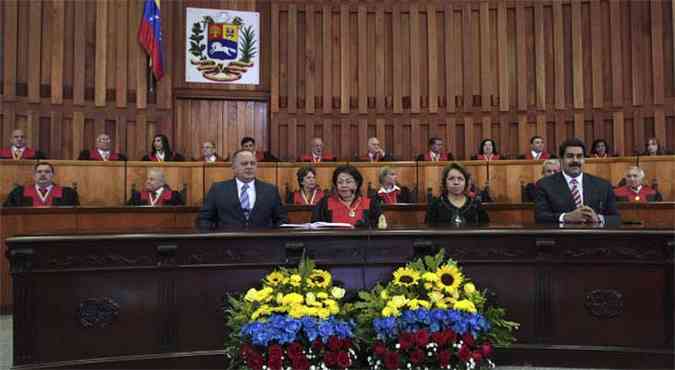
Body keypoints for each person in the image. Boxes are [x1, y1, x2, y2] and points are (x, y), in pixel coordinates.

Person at [534, 138, 620, 225]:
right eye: (570, 156)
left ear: (584, 160)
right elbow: (540, 217)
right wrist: (566, 217)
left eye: (579, 156)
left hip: (594, 237)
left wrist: (598, 218)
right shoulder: (544, 185)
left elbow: (616, 219)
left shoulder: (603, 185)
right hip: (562, 237)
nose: (575, 160)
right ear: (561, 160)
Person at [197, 149, 287, 230]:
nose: (249, 167)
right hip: (227, 244)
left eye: (252, 163)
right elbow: (204, 219)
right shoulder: (218, 189)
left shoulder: (270, 190)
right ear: (234, 167)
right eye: (244, 164)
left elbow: (282, 219)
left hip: (261, 244)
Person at [311, 165, 382, 227]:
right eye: (340, 182)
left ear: (356, 184)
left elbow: (379, 228)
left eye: (348, 182)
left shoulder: (371, 204)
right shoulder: (324, 204)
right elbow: (315, 227)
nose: (344, 185)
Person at [425, 162, 489, 225]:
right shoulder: (435, 205)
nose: (456, 182)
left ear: (466, 182)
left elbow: (486, 229)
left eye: (460, 179)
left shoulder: (476, 204)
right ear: (445, 182)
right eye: (451, 178)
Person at [3, 162, 79, 207]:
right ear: (34, 175)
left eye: (47, 172)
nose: (43, 174)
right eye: (39, 172)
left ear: (53, 175)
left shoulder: (67, 194)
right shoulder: (18, 193)